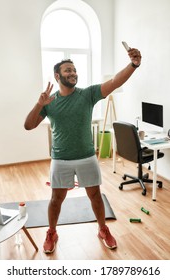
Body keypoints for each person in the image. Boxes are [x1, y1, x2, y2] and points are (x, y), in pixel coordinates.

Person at [24, 46, 142, 253]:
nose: (73, 73)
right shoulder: (49, 101)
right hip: (60, 158)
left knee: (95, 195)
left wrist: (133, 65)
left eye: (74, 69)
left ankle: (103, 229)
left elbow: (114, 82)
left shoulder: (88, 94)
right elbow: (29, 125)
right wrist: (38, 104)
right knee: (56, 199)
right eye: (68, 70)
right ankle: (52, 231)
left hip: (87, 156)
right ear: (57, 75)